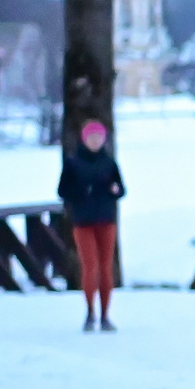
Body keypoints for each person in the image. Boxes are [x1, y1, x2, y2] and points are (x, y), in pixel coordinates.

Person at [56, 118, 123, 332]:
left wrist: (115, 190)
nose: (96, 141)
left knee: (106, 268)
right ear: (84, 140)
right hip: (83, 221)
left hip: (106, 220)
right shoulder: (73, 162)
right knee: (90, 266)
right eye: (92, 138)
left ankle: (105, 315)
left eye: (99, 138)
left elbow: (121, 188)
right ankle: (89, 311)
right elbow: (62, 191)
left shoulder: (109, 163)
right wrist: (81, 193)